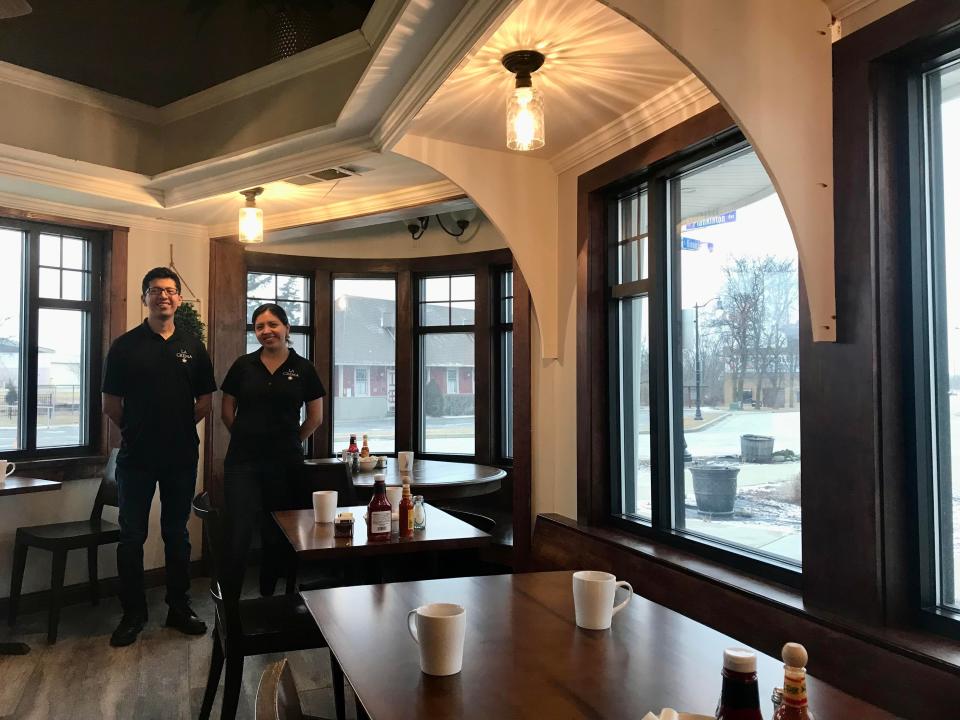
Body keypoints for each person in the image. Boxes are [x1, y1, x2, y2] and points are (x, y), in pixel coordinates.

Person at [102, 267, 217, 647]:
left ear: (179, 299)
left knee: (177, 534)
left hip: (181, 457)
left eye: (169, 291)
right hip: (135, 459)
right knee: (131, 536)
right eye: (155, 291)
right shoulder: (124, 346)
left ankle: (178, 607)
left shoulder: (192, 346)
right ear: (144, 298)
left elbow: (204, 401)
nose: (163, 296)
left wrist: (179, 427)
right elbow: (111, 404)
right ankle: (133, 613)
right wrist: (137, 430)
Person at [220, 303, 325, 596]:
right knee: (238, 535)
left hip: (285, 464)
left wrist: (291, 441)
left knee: (276, 533)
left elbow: (315, 417)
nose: (267, 331)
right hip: (242, 463)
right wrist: (245, 437)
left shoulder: (303, 368)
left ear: (287, 329)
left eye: (273, 325)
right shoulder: (243, 365)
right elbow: (227, 411)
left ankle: (271, 599)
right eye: (259, 327)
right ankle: (229, 607)